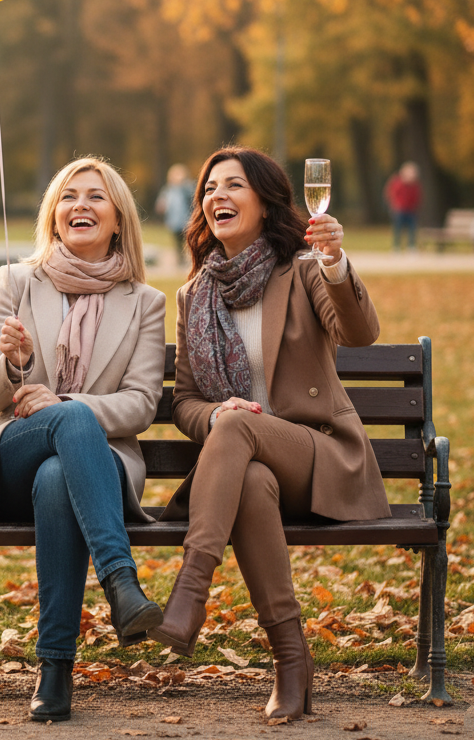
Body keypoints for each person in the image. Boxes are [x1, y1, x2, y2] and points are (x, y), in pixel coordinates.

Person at [149, 146, 389, 723]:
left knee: (236, 425)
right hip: (251, 460)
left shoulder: (302, 269)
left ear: (264, 201)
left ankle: (192, 587)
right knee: (248, 473)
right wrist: (215, 415)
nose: (217, 197)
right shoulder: (194, 295)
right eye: (209, 188)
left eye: (234, 185)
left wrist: (334, 261)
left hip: (320, 455)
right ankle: (290, 658)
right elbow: (185, 402)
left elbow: (360, 333)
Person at [0, 157, 166, 722]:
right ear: (54, 216)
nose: (81, 206)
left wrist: (67, 402)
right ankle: (121, 583)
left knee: (61, 469)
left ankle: (54, 668)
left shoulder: (145, 303)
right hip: (11, 455)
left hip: (97, 467)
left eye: (96, 197)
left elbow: (142, 403)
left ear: (118, 218)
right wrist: (13, 363)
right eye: (69, 196)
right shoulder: (17, 281)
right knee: (66, 431)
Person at [155, 163, 195, 266]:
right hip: (174, 221)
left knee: (189, 242)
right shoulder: (168, 190)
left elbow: (193, 200)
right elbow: (161, 203)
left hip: (187, 220)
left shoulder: (187, 188)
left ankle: (190, 260)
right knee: (177, 243)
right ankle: (180, 261)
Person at [384, 161, 421, 251]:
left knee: (412, 230)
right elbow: (391, 194)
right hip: (399, 210)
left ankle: (411, 246)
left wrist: (414, 206)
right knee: (398, 229)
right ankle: (396, 247)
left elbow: (417, 197)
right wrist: (394, 205)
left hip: (411, 210)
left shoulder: (414, 185)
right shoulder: (398, 183)